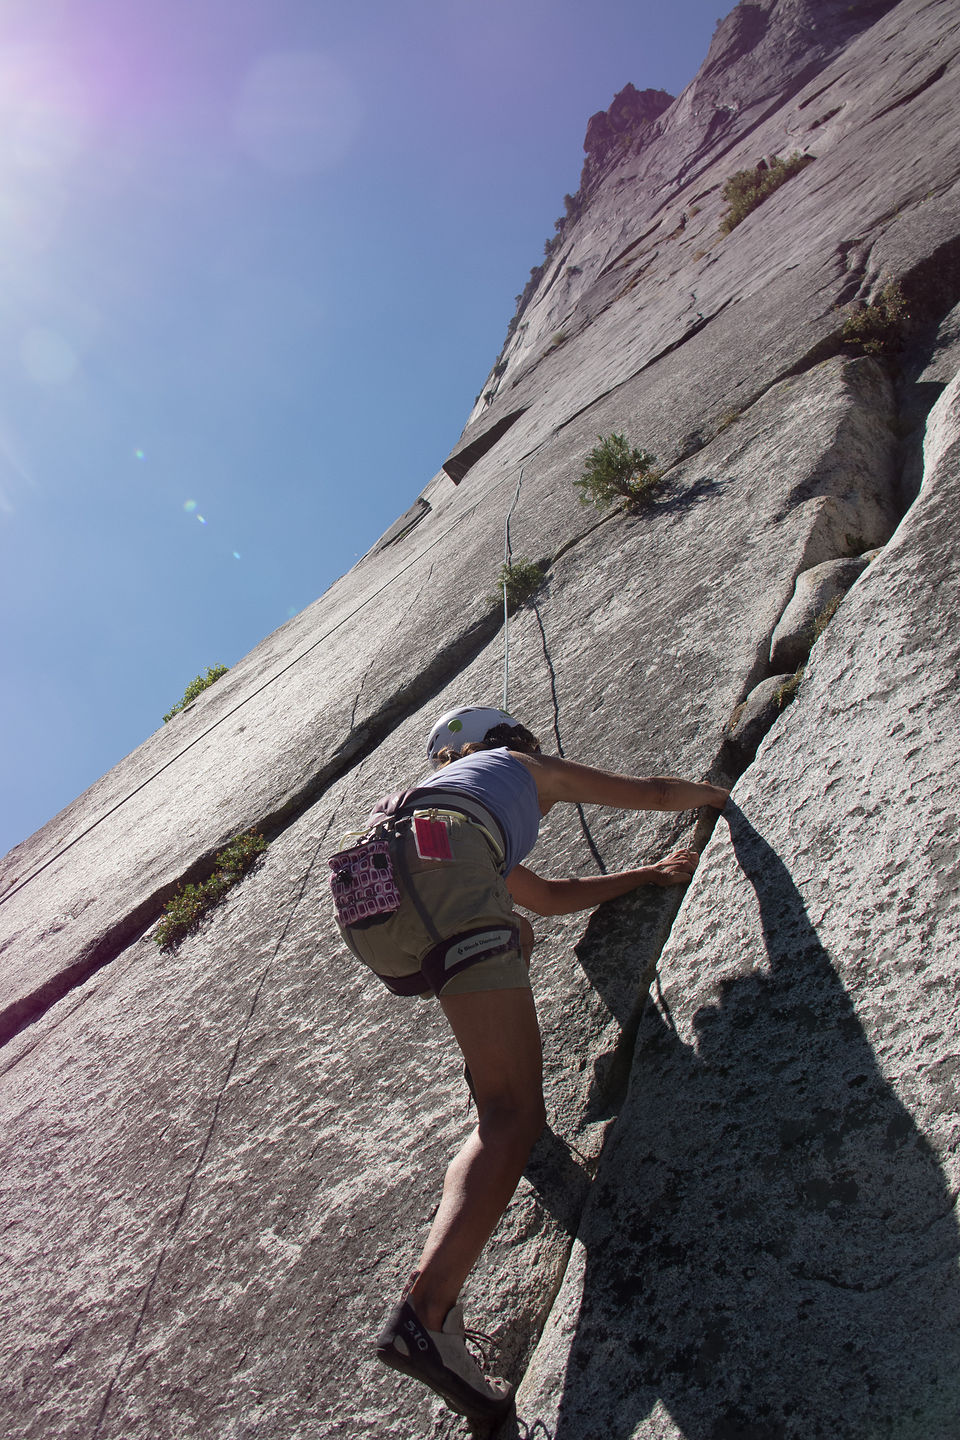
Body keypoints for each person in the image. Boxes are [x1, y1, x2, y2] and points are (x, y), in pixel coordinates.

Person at [331, 705, 729, 1422]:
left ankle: (491, 1074)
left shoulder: (436, 801)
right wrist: (719, 795)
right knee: (514, 1116)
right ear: (503, 741)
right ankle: (427, 1311)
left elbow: (544, 899)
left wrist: (645, 875)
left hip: (375, 907)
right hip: (447, 878)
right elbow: (652, 790)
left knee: (511, 929)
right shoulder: (521, 767)